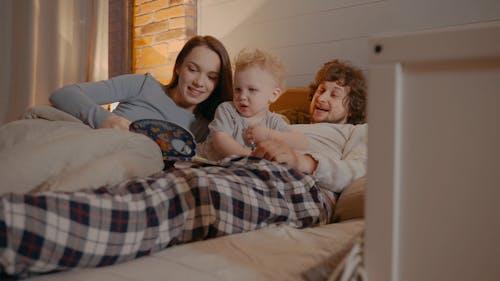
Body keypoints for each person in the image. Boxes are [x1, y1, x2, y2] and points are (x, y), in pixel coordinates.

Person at [50, 35, 233, 143]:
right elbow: (63, 94)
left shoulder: (209, 126)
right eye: (193, 69)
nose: (200, 82)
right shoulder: (143, 85)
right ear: (178, 67)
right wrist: (105, 119)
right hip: (94, 145)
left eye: (211, 77)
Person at [252, 59, 368, 193]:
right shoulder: (286, 119)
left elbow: (358, 171)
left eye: (334, 94)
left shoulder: (356, 131)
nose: (321, 98)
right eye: (321, 90)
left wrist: (303, 162)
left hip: (295, 181)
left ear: (352, 107)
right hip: (245, 164)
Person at [198, 48, 308, 161]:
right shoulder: (227, 110)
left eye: (252, 90)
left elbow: (303, 143)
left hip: (240, 170)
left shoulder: (273, 121)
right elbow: (221, 140)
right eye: (237, 89)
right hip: (205, 160)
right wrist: (250, 157)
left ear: (273, 95)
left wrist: (268, 135)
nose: (242, 96)